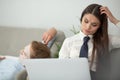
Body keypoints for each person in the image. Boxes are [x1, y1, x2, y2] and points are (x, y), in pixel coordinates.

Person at [59, 4, 120, 80]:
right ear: (81, 19)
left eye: (94, 25)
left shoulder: (106, 40)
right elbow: (62, 66)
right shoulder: (69, 41)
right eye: (86, 21)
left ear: (100, 26)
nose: (88, 27)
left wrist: (114, 20)